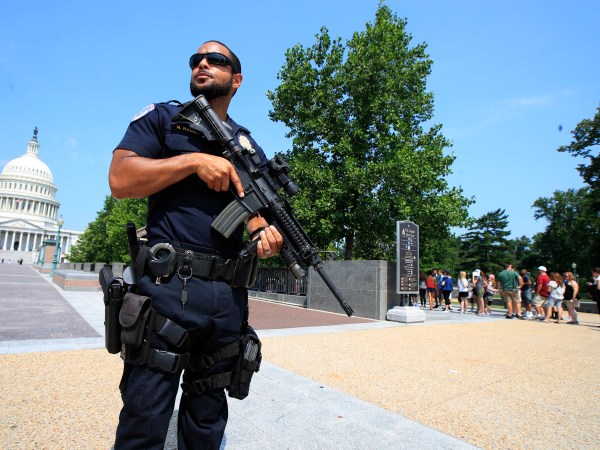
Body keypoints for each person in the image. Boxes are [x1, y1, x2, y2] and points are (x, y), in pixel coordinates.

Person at [108, 41, 284, 449]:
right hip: (169, 287)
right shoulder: (164, 119)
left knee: (207, 423)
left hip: (226, 298)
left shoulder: (247, 144)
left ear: (236, 80)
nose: (202, 63)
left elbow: (251, 204)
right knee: (145, 416)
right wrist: (192, 162)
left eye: (216, 60)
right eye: (197, 60)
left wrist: (263, 231)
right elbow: (120, 180)